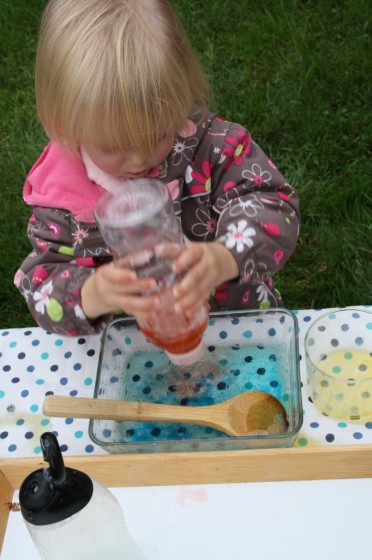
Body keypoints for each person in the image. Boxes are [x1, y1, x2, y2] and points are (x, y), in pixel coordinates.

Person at [15, 0, 300, 336]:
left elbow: (275, 206)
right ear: (64, 128)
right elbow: (41, 286)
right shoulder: (64, 199)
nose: (138, 159)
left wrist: (225, 258)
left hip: (240, 325)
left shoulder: (214, 148)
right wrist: (93, 294)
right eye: (114, 147)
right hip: (137, 348)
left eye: (157, 133)